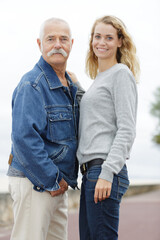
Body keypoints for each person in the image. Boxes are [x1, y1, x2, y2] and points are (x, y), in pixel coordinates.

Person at [7, 17, 84, 240]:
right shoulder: (32, 84)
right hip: (35, 182)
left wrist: (77, 87)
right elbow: (24, 139)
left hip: (57, 184)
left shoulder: (68, 85)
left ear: (71, 44)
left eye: (63, 39)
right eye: (51, 39)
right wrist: (51, 179)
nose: (58, 44)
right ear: (40, 44)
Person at [76, 15, 140, 240]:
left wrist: (107, 172)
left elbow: (127, 129)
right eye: (97, 36)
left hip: (104, 171)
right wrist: (76, 86)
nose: (101, 42)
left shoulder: (120, 74)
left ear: (120, 41)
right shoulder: (100, 79)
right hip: (91, 173)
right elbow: (97, 118)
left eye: (109, 37)